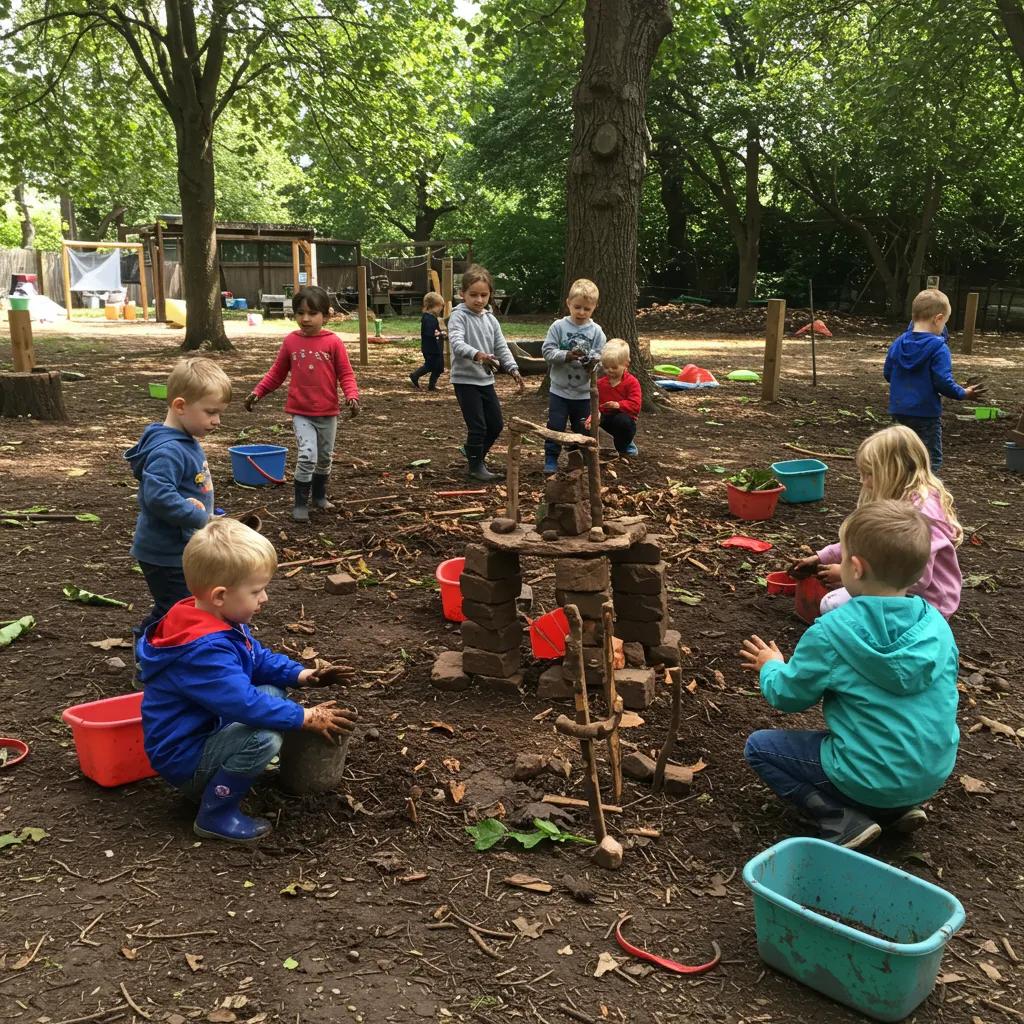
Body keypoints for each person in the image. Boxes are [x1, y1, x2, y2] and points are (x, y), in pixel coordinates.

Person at [741, 501, 960, 850]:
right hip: (930, 772)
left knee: (759, 747)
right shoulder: (937, 626)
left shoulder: (831, 632)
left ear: (854, 568)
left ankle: (840, 817)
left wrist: (770, 665)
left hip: (867, 776)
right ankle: (896, 808)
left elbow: (787, 695)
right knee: (882, 737)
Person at [138, 518, 358, 844]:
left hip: (207, 730)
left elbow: (256, 659)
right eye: (256, 591)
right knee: (264, 740)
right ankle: (215, 814)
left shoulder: (211, 618)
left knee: (273, 691)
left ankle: (235, 768)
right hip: (186, 759)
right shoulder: (203, 651)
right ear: (220, 595)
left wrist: (302, 675)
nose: (264, 598)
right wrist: (306, 716)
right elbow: (244, 703)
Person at [791, 425, 962, 619]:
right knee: (833, 602)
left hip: (926, 603)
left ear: (893, 471)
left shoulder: (920, 516)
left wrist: (849, 576)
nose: (863, 481)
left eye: (869, 474)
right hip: (895, 587)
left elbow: (917, 579)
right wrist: (823, 557)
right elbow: (867, 540)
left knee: (832, 606)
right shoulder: (899, 501)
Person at [125, 357, 231, 641]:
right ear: (180, 406)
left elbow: (188, 490)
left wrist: (211, 515)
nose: (217, 421)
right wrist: (200, 518)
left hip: (181, 547)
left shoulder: (184, 439)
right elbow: (159, 497)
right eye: (211, 412)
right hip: (166, 553)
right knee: (176, 609)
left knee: (184, 605)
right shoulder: (168, 451)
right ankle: (148, 647)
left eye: (219, 413)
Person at [244, 286, 360, 522]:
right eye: (300, 313)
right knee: (307, 455)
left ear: (326, 316)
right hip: (301, 413)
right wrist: (258, 392)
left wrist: (352, 395)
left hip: (328, 413)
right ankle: (300, 504)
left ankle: (319, 496)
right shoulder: (291, 341)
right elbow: (276, 373)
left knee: (324, 458)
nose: (305, 318)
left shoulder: (333, 342)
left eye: (312, 313)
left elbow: (345, 373)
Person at [884, 288, 984, 471]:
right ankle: (926, 489)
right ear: (938, 319)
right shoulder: (939, 347)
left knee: (901, 457)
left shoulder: (899, 342)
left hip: (899, 410)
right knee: (930, 459)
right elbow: (942, 382)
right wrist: (963, 393)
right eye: (945, 322)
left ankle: (898, 486)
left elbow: (888, 373)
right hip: (926, 414)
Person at [447, 264, 524, 482]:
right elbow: (457, 343)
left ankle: (474, 454)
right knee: (478, 426)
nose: (479, 300)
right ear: (462, 294)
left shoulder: (490, 319)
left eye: (484, 295)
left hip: (485, 380)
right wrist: (478, 355)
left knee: (496, 424)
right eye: (473, 295)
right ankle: (475, 467)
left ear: (490, 294)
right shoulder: (458, 316)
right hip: (465, 380)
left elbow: (501, 346)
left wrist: (512, 368)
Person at [541, 278, 606, 474]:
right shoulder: (558, 327)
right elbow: (547, 351)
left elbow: (601, 357)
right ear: (568, 303)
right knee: (555, 425)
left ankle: (580, 458)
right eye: (577, 307)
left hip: (583, 393)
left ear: (594, 307)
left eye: (587, 309)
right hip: (559, 390)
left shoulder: (596, 331)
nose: (581, 312)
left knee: (583, 427)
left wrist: (591, 362)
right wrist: (566, 355)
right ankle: (551, 458)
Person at [596, 338, 642, 456]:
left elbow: (635, 405)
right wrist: (596, 413)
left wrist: (618, 405)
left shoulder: (631, 382)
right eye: (606, 367)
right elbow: (596, 403)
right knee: (585, 421)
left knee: (621, 421)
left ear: (626, 364)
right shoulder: (600, 383)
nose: (610, 370)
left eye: (614, 367)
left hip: (624, 419)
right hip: (605, 418)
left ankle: (624, 448)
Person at [409, 291, 447, 391]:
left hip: (435, 348)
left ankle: (432, 385)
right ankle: (415, 375)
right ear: (434, 306)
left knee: (439, 367)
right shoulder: (428, 318)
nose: (441, 309)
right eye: (440, 306)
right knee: (430, 365)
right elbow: (430, 333)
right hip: (430, 348)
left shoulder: (432, 318)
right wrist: (441, 333)